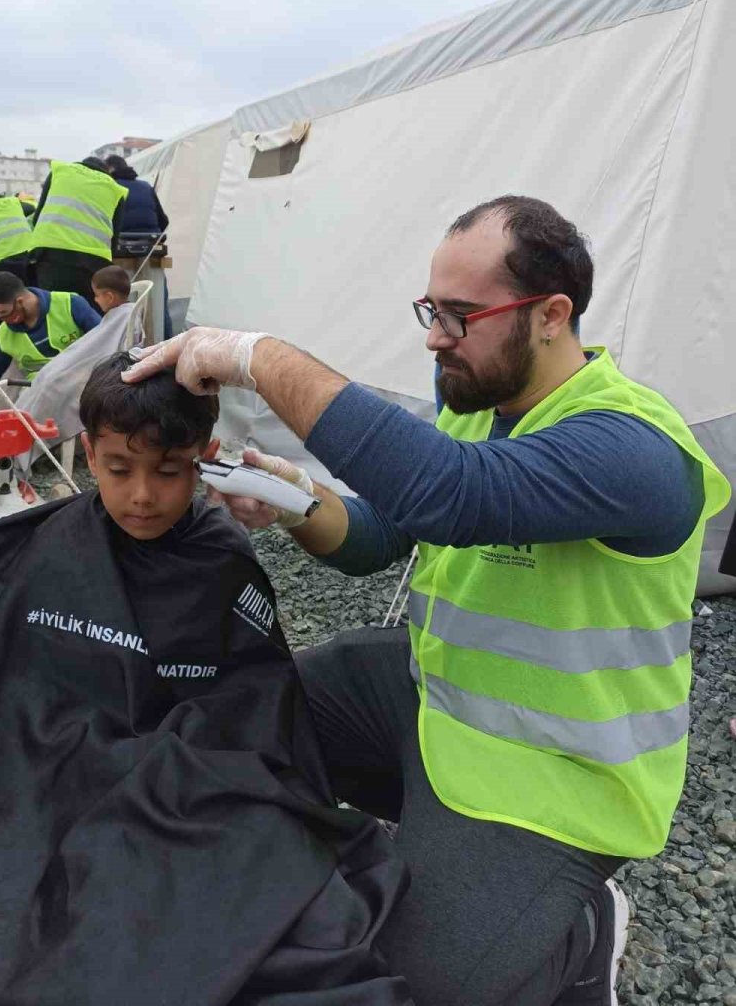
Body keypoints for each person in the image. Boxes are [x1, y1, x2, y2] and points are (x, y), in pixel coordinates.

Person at [124, 195, 731, 1006]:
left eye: (461, 315)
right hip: (439, 703)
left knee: (427, 987)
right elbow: (383, 536)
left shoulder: (633, 446)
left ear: (552, 315)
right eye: (431, 310)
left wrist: (253, 355)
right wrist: (297, 499)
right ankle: (433, 867)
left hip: (555, 777)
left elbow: (447, 494)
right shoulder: (480, 409)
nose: (435, 336)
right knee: (237, 711)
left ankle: (582, 931)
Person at [0, 358, 412, 1004]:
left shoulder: (221, 561)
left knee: (268, 896)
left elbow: (256, 713)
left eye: (168, 471)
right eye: (117, 469)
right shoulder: (35, 552)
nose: (140, 496)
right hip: (36, 779)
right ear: (89, 454)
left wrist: (168, 761)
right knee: (0, 908)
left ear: (204, 458)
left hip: (184, 791)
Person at [0, 271, 100, 403]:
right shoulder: (5, 336)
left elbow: (107, 337)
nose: (3, 319)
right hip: (39, 398)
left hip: (83, 388)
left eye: (4, 313)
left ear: (20, 301)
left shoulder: (70, 304)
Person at [29, 156, 127, 306]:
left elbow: (38, 218)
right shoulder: (114, 189)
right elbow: (114, 239)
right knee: (88, 316)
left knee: (54, 310)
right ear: (106, 172)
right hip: (93, 263)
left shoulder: (59, 172)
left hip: (51, 255)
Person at [105, 153, 173, 338]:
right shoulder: (145, 187)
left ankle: (128, 348)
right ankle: (165, 347)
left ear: (109, 170)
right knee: (158, 303)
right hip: (152, 250)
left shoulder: (109, 188)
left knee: (124, 303)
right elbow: (163, 220)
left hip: (120, 254)